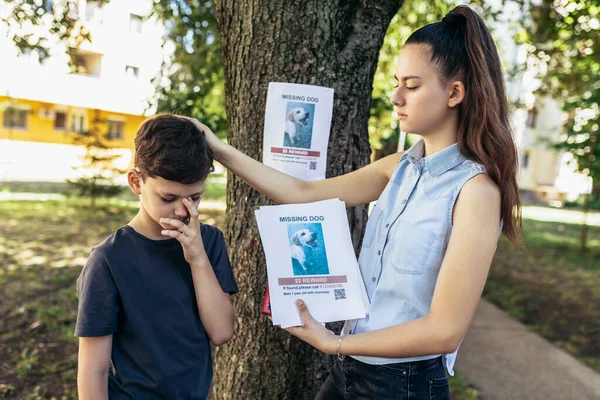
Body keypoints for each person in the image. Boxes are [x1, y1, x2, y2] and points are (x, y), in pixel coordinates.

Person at [193, 4, 521, 399]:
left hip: (403, 384)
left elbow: (445, 330)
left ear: (455, 92)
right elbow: (303, 193)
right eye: (397, 82)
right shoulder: (399, 167)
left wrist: (334, 344)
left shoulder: (476, 192)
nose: (396, 96)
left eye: (412, 86)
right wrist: (216, 147)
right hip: (349, 372)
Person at [75, 114, 238, 399]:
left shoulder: (209, 242)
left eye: (194, 198)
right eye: (168, 198)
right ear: (136, 182)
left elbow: (221, 332)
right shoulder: (108, 260)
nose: (182, 211)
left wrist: (197, 258)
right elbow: (92, 371)